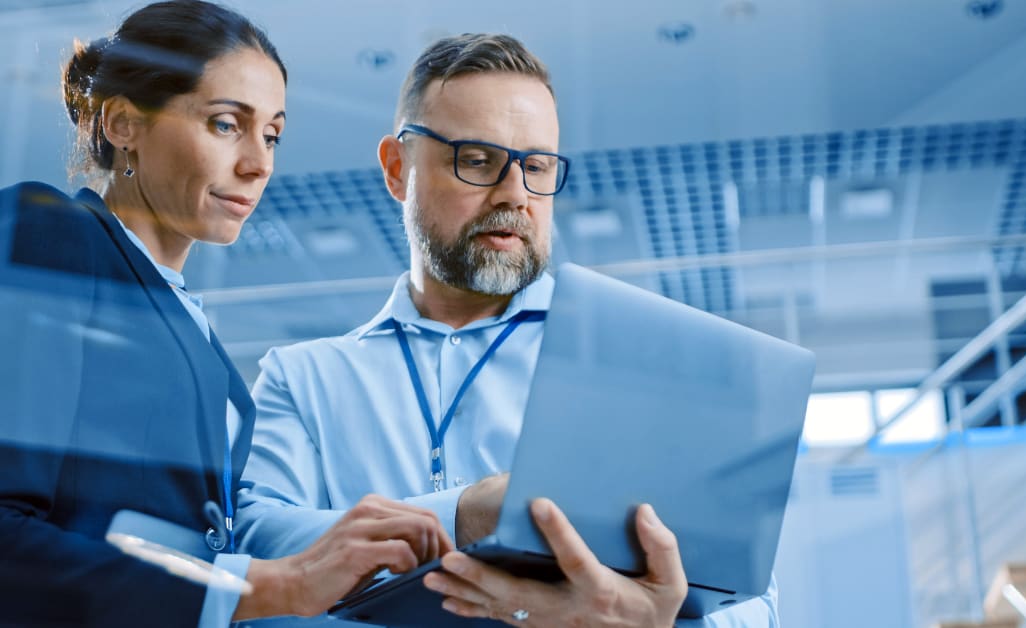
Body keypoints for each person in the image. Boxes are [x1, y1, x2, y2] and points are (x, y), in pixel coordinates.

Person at [236, 33, 777, 626]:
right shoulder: (305, 377)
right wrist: (463, 514)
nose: (516, 195)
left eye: (537, 165)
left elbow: (754, 602)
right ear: (397, 169)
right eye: (477, 159)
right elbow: (255, 544)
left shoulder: (640, 362)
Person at [0, 2, 453, 627]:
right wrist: (263, 587)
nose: (259, 163)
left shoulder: (192, 327)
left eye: (271, 134)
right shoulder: (53, 233)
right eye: (224, 125)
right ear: (124, 123)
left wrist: (331, 551)